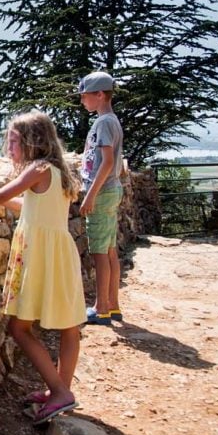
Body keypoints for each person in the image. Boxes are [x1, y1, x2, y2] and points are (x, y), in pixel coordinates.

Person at [0, 111, 85, 425]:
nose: (9, 148)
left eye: (13, 141)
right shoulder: (58, 171)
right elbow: (29, 207)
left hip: (40, 256)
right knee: (69, 328)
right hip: (60, 254)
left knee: (18, 328)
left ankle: (60, 392)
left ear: (32, 142)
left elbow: (2, 194)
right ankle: (60, 389)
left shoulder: (37, 169)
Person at [77, 71, 124, 326]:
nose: (82, 101)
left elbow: (105, 162)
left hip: (103, 191)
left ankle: (101, 307)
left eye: (85, 96)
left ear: (99, 94)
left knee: (98, 252)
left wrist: (90, 196)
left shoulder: (104, 122)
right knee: (109, 249)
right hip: (112, 189)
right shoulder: (112, 121)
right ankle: (113, 305)